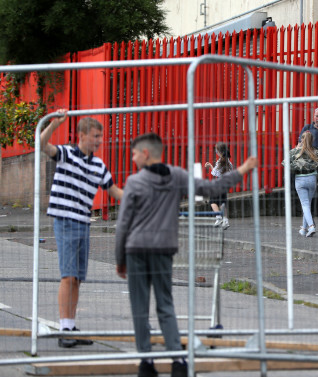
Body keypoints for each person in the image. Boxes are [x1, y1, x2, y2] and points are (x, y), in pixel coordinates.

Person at [115, 133, 257, 377]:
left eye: (135, 152)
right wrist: (243, 169)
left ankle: (146, 362)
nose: (133, 157)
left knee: (140, 308)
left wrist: (120, 258)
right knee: (165, 306)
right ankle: (178, 361)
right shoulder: (177, 176)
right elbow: (213, 187)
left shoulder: (134, 182)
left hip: (137, 250)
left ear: (146, 154)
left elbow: (123, 224)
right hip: (163, 249)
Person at [40, 110, 124, 348]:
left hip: (83, 222)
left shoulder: (98, 165)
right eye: (95, 136)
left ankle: (70, 324)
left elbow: (113, 190)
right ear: (82, 135)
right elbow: (42, 144)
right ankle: (65, 328)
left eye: (100, 137)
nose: (99, 141)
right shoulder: (66, 153)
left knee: (76, 278)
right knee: (68, 276)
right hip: (65, 220)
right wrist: (54, 124)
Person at [288, 131, 318, 237]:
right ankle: (303, 228)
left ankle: (311, 226)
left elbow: (285, 163)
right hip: (312, 179)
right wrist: (314, 165)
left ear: (301, 139)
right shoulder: (316, 151)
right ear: (312, 140)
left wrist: (297, 167)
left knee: (305, 204)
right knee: (307, 204)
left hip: (300, 179)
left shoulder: (294, 152)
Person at [204, 142, 233, 229]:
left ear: (219, 151)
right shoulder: (229, 163)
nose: (216, 152)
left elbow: (214, 173)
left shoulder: (219, 162)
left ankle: (218, 217)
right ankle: (225, 220)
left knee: (212, 201)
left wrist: (210, 166)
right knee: (222, 202)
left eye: (216, 150)